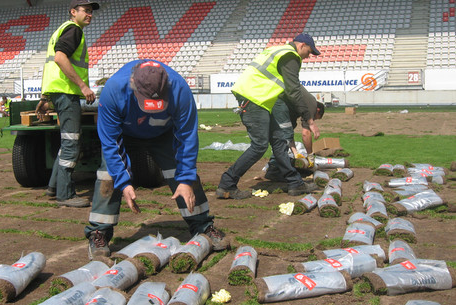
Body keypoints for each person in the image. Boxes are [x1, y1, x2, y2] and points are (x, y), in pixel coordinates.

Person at [84, 59, 230, 259]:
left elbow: (187, 138)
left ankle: (202, 225)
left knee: (183, 174)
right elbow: (110, 142)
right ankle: (99, 232)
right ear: (133, 83)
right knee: (108, 175)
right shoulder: (113, 91)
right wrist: (124, 183)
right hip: (125, 133)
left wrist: (185, 179)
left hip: (163, 133)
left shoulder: (179, 89)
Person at [216, 33, 322, 199]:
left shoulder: (277, 50)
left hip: (259, 100)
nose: (309, 56)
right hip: (254, 99)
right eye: (309, 51)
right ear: (301, 45)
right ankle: (227, 183)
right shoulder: (291, 56)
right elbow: (293, 90)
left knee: (279, 141)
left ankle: (295, 182)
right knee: (259, 145)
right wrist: (310, 120)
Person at [38, 0, 100, 207]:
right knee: (72, 143)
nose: (89, 14)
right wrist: (83, 86)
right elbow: (59, 58)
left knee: (67, 142)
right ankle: (65, 195)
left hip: (59, 92)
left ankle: (54, 187)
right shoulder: (74, 30)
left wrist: (45, 98)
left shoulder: (63, 29)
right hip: (66, 93)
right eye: (86, 10)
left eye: (91, 11)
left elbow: (51, 64)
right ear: (73, 12)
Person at [265, 97, 325, 182]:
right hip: (276, 107)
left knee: (282, 137)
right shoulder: (311, 106)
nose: (313, 120)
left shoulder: (293, 112)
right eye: (315, 118)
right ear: (318, 110)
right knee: (280, 139)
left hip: (277, 108)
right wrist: (310, 155)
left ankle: (275, 168)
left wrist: (295, 153)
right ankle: (274, 169)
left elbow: (289, 134)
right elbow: (305, 133)